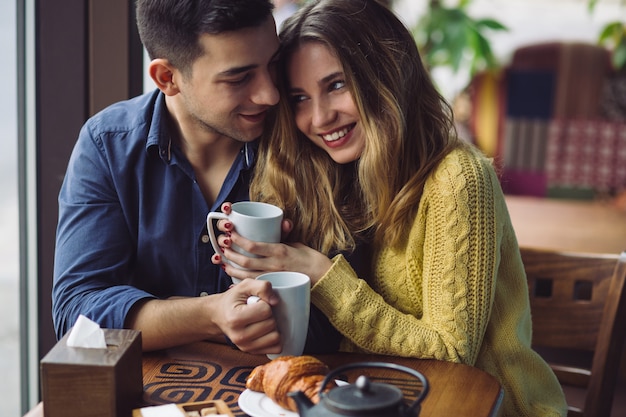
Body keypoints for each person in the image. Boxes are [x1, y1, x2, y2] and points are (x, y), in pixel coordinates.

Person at [211, 0, 568, 415]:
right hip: (377, 397)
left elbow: (451, 353)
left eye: (336, 85)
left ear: (383, 75)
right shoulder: (336, 171)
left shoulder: (458, 179)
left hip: (487, 405)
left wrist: (320, 275)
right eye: (299, 98)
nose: (320, 117)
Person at [52, 0, 339, 355]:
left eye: (273, 64)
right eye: (239, 77)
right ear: (167, 78)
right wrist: (209, 315)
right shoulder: (108, 146)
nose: (270, 94)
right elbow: (75, 315)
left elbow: (338, 321)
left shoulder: (310, 131)